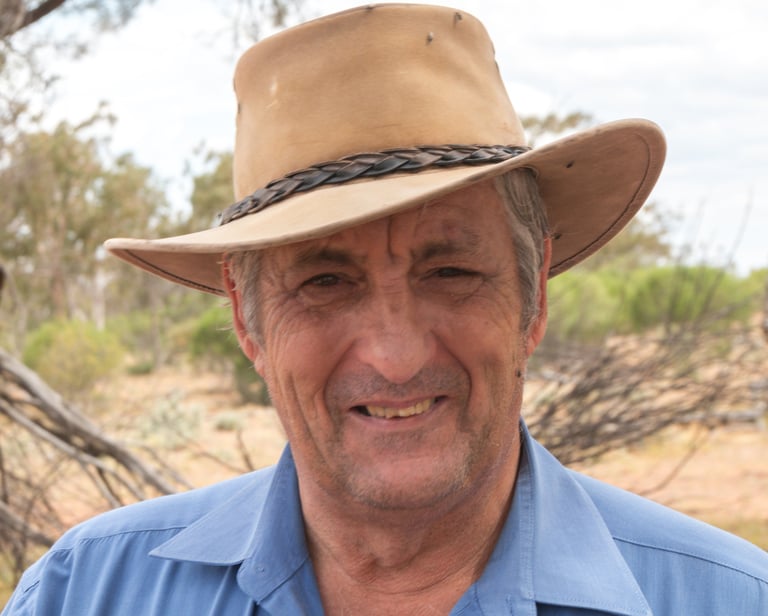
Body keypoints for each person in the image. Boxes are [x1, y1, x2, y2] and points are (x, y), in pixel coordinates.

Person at [4, 4, 767, 615]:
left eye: (451, 271)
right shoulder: (86, 592)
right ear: (246, 318)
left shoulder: (727, 600)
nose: (395, 356)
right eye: (324, 282)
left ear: (532, 299)